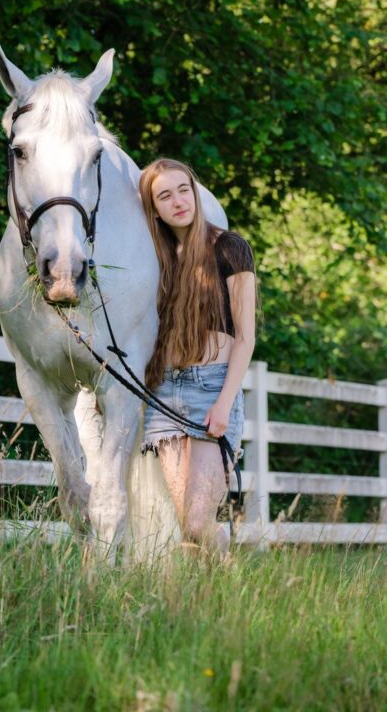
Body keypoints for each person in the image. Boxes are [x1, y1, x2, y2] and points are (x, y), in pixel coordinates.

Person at [139, 157, 256, 554]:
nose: (178, 201)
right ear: (154, 207)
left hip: (211, 390)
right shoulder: (157, 258)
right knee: (186, 528)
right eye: (164, 196)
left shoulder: (229, 247)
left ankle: (230, 590)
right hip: (165, 394)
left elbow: (245, 338)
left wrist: (224, 403)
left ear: (195, 191)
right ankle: (210, 603)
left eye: (183, 190)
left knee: (198, 521)